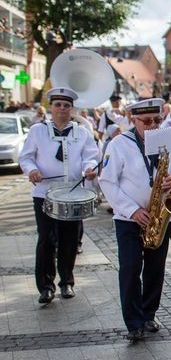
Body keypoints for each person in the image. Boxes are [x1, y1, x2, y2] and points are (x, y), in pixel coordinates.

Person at [99, 98, 171, 341]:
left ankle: (149, 313)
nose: (153, 126)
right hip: (130, 218)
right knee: (130, 269)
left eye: (157, 120)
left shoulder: (169, 140)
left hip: (159, 215)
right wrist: (131, 210)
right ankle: (133, 322)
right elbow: (107, 181)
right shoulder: (119, 144)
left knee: (155, 270)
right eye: (147, 121)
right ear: (133, 120)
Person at [20, 87, 99, 304]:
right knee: (46, 239)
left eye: (66, 105)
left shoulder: (81, 132)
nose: (62, 109)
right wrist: (32, 170)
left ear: (71, 109)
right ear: (50, 107)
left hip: (72, 193)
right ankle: (46, 287)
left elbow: (90, 157)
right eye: (58, 105)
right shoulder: (38, 131)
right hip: (44, 193)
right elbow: (26, 158)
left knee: (69, 239)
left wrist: (90, 169)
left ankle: (67, 282)